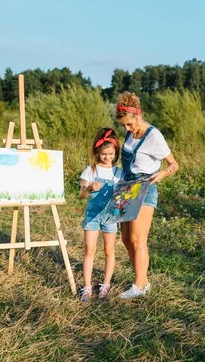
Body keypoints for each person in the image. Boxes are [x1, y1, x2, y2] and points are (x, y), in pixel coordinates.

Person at [116, 91, 179, 299]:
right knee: (125, 239)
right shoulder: (129, 133)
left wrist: (161, 174)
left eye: (129, 124)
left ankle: (140, 286)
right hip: (127, 186)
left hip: (145, 186)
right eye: (124, 125)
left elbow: (174, 164)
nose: (126, 128)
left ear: (138, 116)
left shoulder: (154, 136)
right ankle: (141, 279)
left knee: (137, 238)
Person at [78, 128, 124, 301]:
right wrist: (89, 188)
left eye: (111, 154)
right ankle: (87, 287)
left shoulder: (119, 173)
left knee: (109, 250)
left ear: (115, 152)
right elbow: (81, 195)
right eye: (104, 154)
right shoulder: (90, 170)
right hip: (92, 216)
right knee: (89, 249)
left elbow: (124, 195)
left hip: (110, 216)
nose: (107, 157)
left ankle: (105, 284)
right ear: (97, 152)